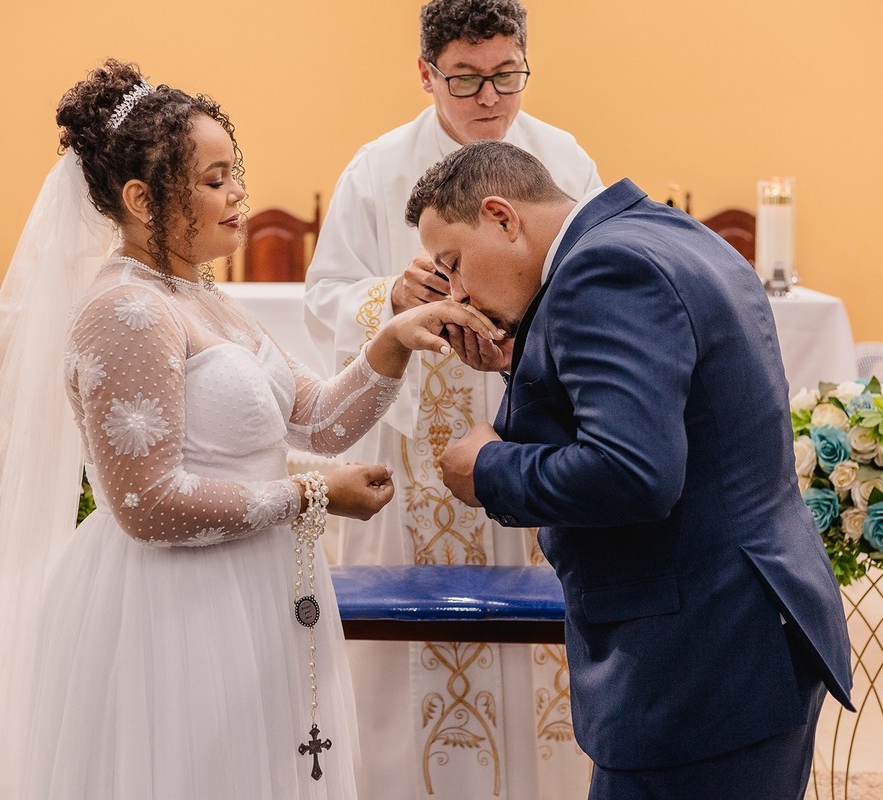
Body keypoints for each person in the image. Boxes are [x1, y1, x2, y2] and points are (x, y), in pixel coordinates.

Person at [0, 60, 502, 800]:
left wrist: (395, 339)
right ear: (143, 200)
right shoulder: (125, 312)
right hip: (173, 613)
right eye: (214, 180)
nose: (239, 193)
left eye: (234, 172)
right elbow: (146, 505)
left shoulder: (204, 298)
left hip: (251, 590)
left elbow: (322, 419)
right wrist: (310, 495)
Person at [405, 141, 855, 799]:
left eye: (453, 264)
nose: (460, 294)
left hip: (696, 657)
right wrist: (516, 360)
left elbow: (632, 470)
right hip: (749, 628)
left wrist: (489, 469)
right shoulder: (661, 230)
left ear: (502, 217)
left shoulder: (603, 271)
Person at [302, 2, 600, 796]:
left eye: (507, 75)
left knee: (543, 662)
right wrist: (388, 295)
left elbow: (600, 283)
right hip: (416, 452)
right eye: (465, 79)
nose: (489, 98)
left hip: (532, 436)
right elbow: (323, 296)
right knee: (411, 671)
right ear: (426, 72)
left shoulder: (562, 156)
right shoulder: (376, 168)